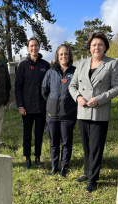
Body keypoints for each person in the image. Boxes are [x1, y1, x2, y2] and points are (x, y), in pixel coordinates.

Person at [69, 32, 118, 192]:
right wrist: (78, 97)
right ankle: (87, 172)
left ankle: (93, 178)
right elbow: (72, 85)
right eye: (94, 45)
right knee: (86, 145)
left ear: (105, 46)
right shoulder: (82, 64)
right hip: (83, 110)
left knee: (96, 145)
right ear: (89, 48)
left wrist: (99, 99)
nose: (97, 47)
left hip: (100, 110)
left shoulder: (112, 64)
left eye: (100, 44)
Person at [15, 37, 51, 169]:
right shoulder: (23, 65)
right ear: (28, 48)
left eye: (36, 45)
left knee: (39, 134)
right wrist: (20, 105)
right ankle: (28, 158)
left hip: (42, 107)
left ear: (39, 47)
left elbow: (49, 86)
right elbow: (18, 86)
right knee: (27, 134)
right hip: (27, 107)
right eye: (31, 46)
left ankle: (37, 157)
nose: (34, 48)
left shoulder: (45, 65)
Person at [41, 44, 77, 177]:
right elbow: (44, 91)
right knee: (54, 142)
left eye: (66, 54)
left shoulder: (75, 72)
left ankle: (64, 167)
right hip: (52, 114)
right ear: (57, 57)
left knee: (66, 142)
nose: (63, 56)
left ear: (69, 56)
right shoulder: (50, 72)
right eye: (61, 54)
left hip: (68, 114)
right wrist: (52, 103)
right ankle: (54, 166)